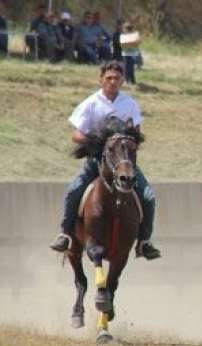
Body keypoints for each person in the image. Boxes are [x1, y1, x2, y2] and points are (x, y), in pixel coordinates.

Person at [49, 61, 161, 261]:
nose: (112, 82)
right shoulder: (91, 103)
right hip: (97, 162)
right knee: (74, 190)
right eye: (108, 78)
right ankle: (65, 235)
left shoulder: (130, 104)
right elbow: (76, 135)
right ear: (101, 80)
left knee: (149, 197)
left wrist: (128, 142)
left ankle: (144, 241)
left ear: (122, 81)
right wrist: (96, 141)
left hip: (123, 163)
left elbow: (137, 133)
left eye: (116, 78)